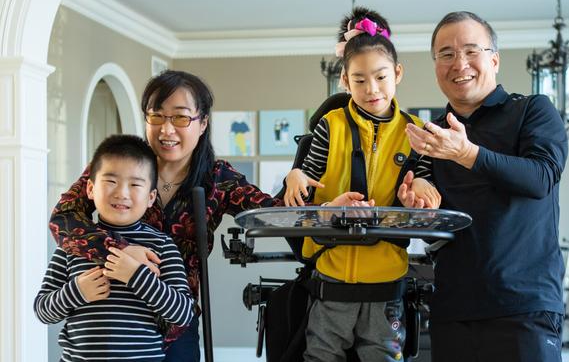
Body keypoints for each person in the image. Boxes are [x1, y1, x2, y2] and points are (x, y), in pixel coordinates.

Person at [49, 70, 373, 361]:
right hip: (112, 320)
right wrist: (118, 253)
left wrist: (323, 209)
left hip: (177, 320)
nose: (166, 129)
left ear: (202, 123)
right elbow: (63, 218)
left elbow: (271, 216)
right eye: (156, 116)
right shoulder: (122, 165)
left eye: (180, 118)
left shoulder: (218, 178)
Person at [402, 11, 569, 362]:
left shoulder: (533, 110)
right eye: (446, 54)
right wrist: (416, 208)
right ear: (435, 67)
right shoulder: (431, 136)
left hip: (525, 307)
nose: (458, 62)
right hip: (452, 309)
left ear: (494, 58)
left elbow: (540, 178)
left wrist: (466, 153)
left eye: (470, 50)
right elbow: (436, 230)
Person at [283, 7, 441, 362]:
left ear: (397, 73)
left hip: (387, 278)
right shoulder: (330, 125)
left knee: (383, 356)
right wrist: (307, 188)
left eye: (381, 77)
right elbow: (305, 188)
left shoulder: (418, 133)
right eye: (359, 80)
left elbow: (424, 185)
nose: (372, 89)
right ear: (344, 80)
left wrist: (421, 191)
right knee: (321, 355)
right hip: (332, 273)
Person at [35, 134, 194, 361]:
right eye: (111, 181)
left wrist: (136, 276)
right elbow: (42, 311)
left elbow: (182, 314)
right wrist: (77, 291)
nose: (122, 193)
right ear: (90, 188)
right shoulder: (74, 244)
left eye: (135, 184)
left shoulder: (161, 245)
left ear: (151, 197)